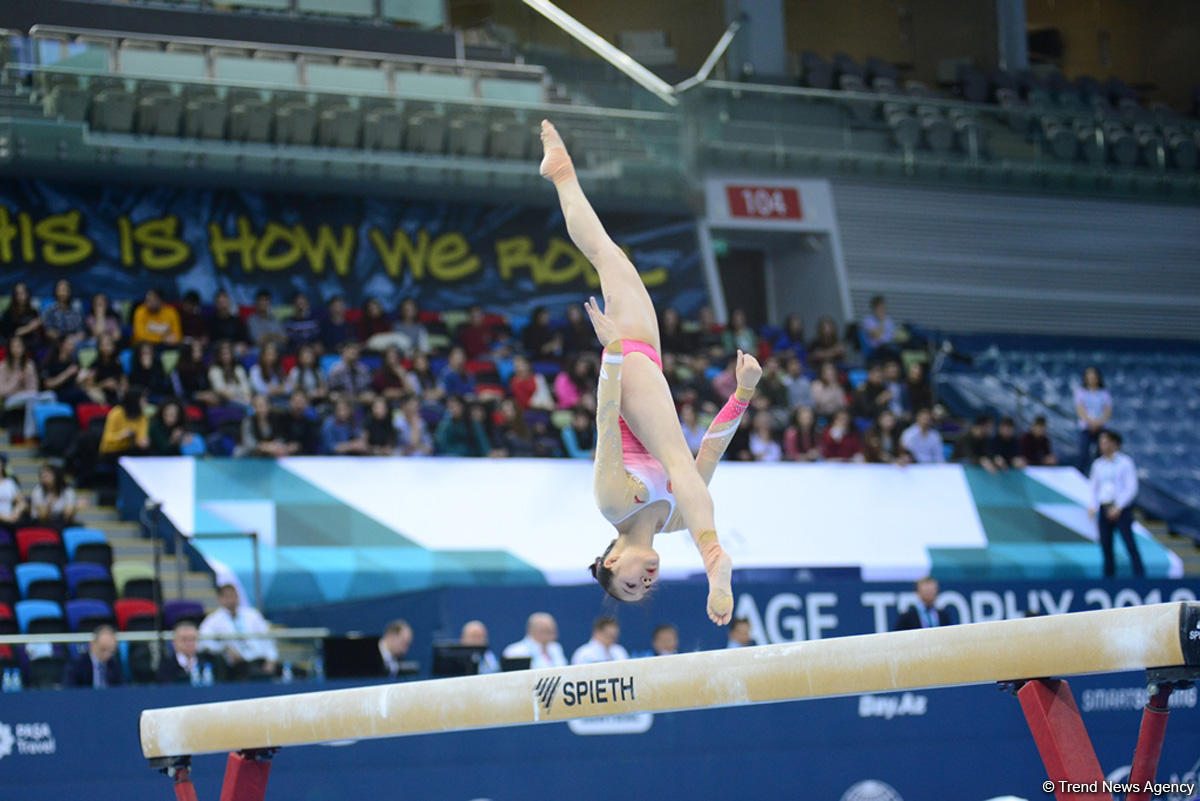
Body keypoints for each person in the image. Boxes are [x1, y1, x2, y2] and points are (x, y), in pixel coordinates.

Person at [544, 120, 759, 625]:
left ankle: (715, 560)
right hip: (647, 359)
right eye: (646, 589)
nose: (645, 582)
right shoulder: (677, 517)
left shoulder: (612, 502)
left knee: (677, 463)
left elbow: (605, 417)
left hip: (627, 374)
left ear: (612, 560)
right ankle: (562, 176)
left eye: (629, 584)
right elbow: (710, 447)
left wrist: (613, 354)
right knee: (607, 255)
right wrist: (743, 395)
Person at [1088, 430, 1144, 578]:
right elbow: (1093, 488)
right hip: (1104, 507)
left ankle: (1140, 577)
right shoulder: (1098, 465)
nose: (1101, 445)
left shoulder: (1125, 462)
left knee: (1129, 544)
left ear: (1114, 444)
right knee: (1106, 547)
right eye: (1100, 442)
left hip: (1121, 509)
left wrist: (1118, 506)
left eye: (1105, 442)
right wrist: (1093, 506)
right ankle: (1109, 580)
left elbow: (1131, 487)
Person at [198, 584, 278, 680]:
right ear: (220, 599)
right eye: (227, 596)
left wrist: (271, 660)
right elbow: (203, 642)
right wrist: (224, 648)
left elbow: (268, 638)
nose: (231, 600)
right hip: (237, 665)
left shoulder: (252, 615)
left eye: (233, 596)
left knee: (296, 673)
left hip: (260, 660)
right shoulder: (213, 621)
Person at [0, 335, 55, 440]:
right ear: (9, 349)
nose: (17, 349)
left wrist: (27, 379)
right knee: (31, 397)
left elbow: (34, 389)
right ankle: (29, 434)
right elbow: (2, 391)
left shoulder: (29, 365)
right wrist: (17, 380)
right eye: (14, 346)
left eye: (19, 346)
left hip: (28, 395)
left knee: (50, 395)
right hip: (10, 399)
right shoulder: (3, 366)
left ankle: (49, 434)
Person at [1075, 366, 1112, 470]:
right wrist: (1091, 423)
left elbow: (1107, 412)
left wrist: (1098, 423)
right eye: (1089, 377)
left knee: (1101, 455)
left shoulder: (1104, 393)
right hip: (1086, 428)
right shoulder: (1080, 392)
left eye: (1094, 376)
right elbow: (1080, 410)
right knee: (1083, 455)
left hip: (1101, 428)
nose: (1092, 379)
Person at [502, 612, 567, 669]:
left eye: (554, 632)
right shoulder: (515, 652)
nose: (555, 636)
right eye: (549, 632)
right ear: (536, 631)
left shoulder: (556, 648)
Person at [99, 389, 151, 457]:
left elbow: (142, 436)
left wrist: (143, 441)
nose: (145, 403)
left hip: (129, 451)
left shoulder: (142, 417)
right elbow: (106, 439)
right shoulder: (117, 413)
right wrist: (120, 435)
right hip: (111, 452)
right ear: (134, 401)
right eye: (143, 400)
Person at [208, 341, 253, 408]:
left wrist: (247, 397)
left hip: (242, 399)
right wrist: (240, 399)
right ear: (219, 356)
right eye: (223, 354)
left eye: (228, 353)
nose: (226, 356)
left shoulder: (238, 369)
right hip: (224, 401)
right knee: (249, 407)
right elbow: (221, 390)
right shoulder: (214, 370)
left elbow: (245, 386)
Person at [41, 278, 84, 347]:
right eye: (60, 290)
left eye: (65, 290)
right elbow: (48, 331)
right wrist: (61, 340)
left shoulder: (77, 310)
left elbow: (81, 331)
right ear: (56, 291)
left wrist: (73, 340)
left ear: (69, 292)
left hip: (73, 343)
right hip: (56, 342)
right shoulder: (50, 310)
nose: (63, 293)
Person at [1, 281, 43, 348]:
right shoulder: (8, 313)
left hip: (32, 344)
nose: (21, 296)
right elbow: (9, 334)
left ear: (27, 294)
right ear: (14, 296)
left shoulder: (33, 312)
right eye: (18, 294)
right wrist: (29, 327)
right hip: (13, 347)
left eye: (23, 293)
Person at [276, 391, 319, 456]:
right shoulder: (280, 419)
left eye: (301, 402)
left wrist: (298, 446)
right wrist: (284, 446)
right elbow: (278, 436)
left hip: (303, 456)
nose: (298, 406)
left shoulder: (311, 422)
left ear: (306, 404)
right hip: (282, 453)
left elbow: (312, 443)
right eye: (296, 402)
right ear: (289, 402)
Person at [0, 456, 28, 527]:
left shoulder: (10, 482)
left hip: (11, 519)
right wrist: (6, 518)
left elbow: (21, 502)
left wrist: (15, 513)